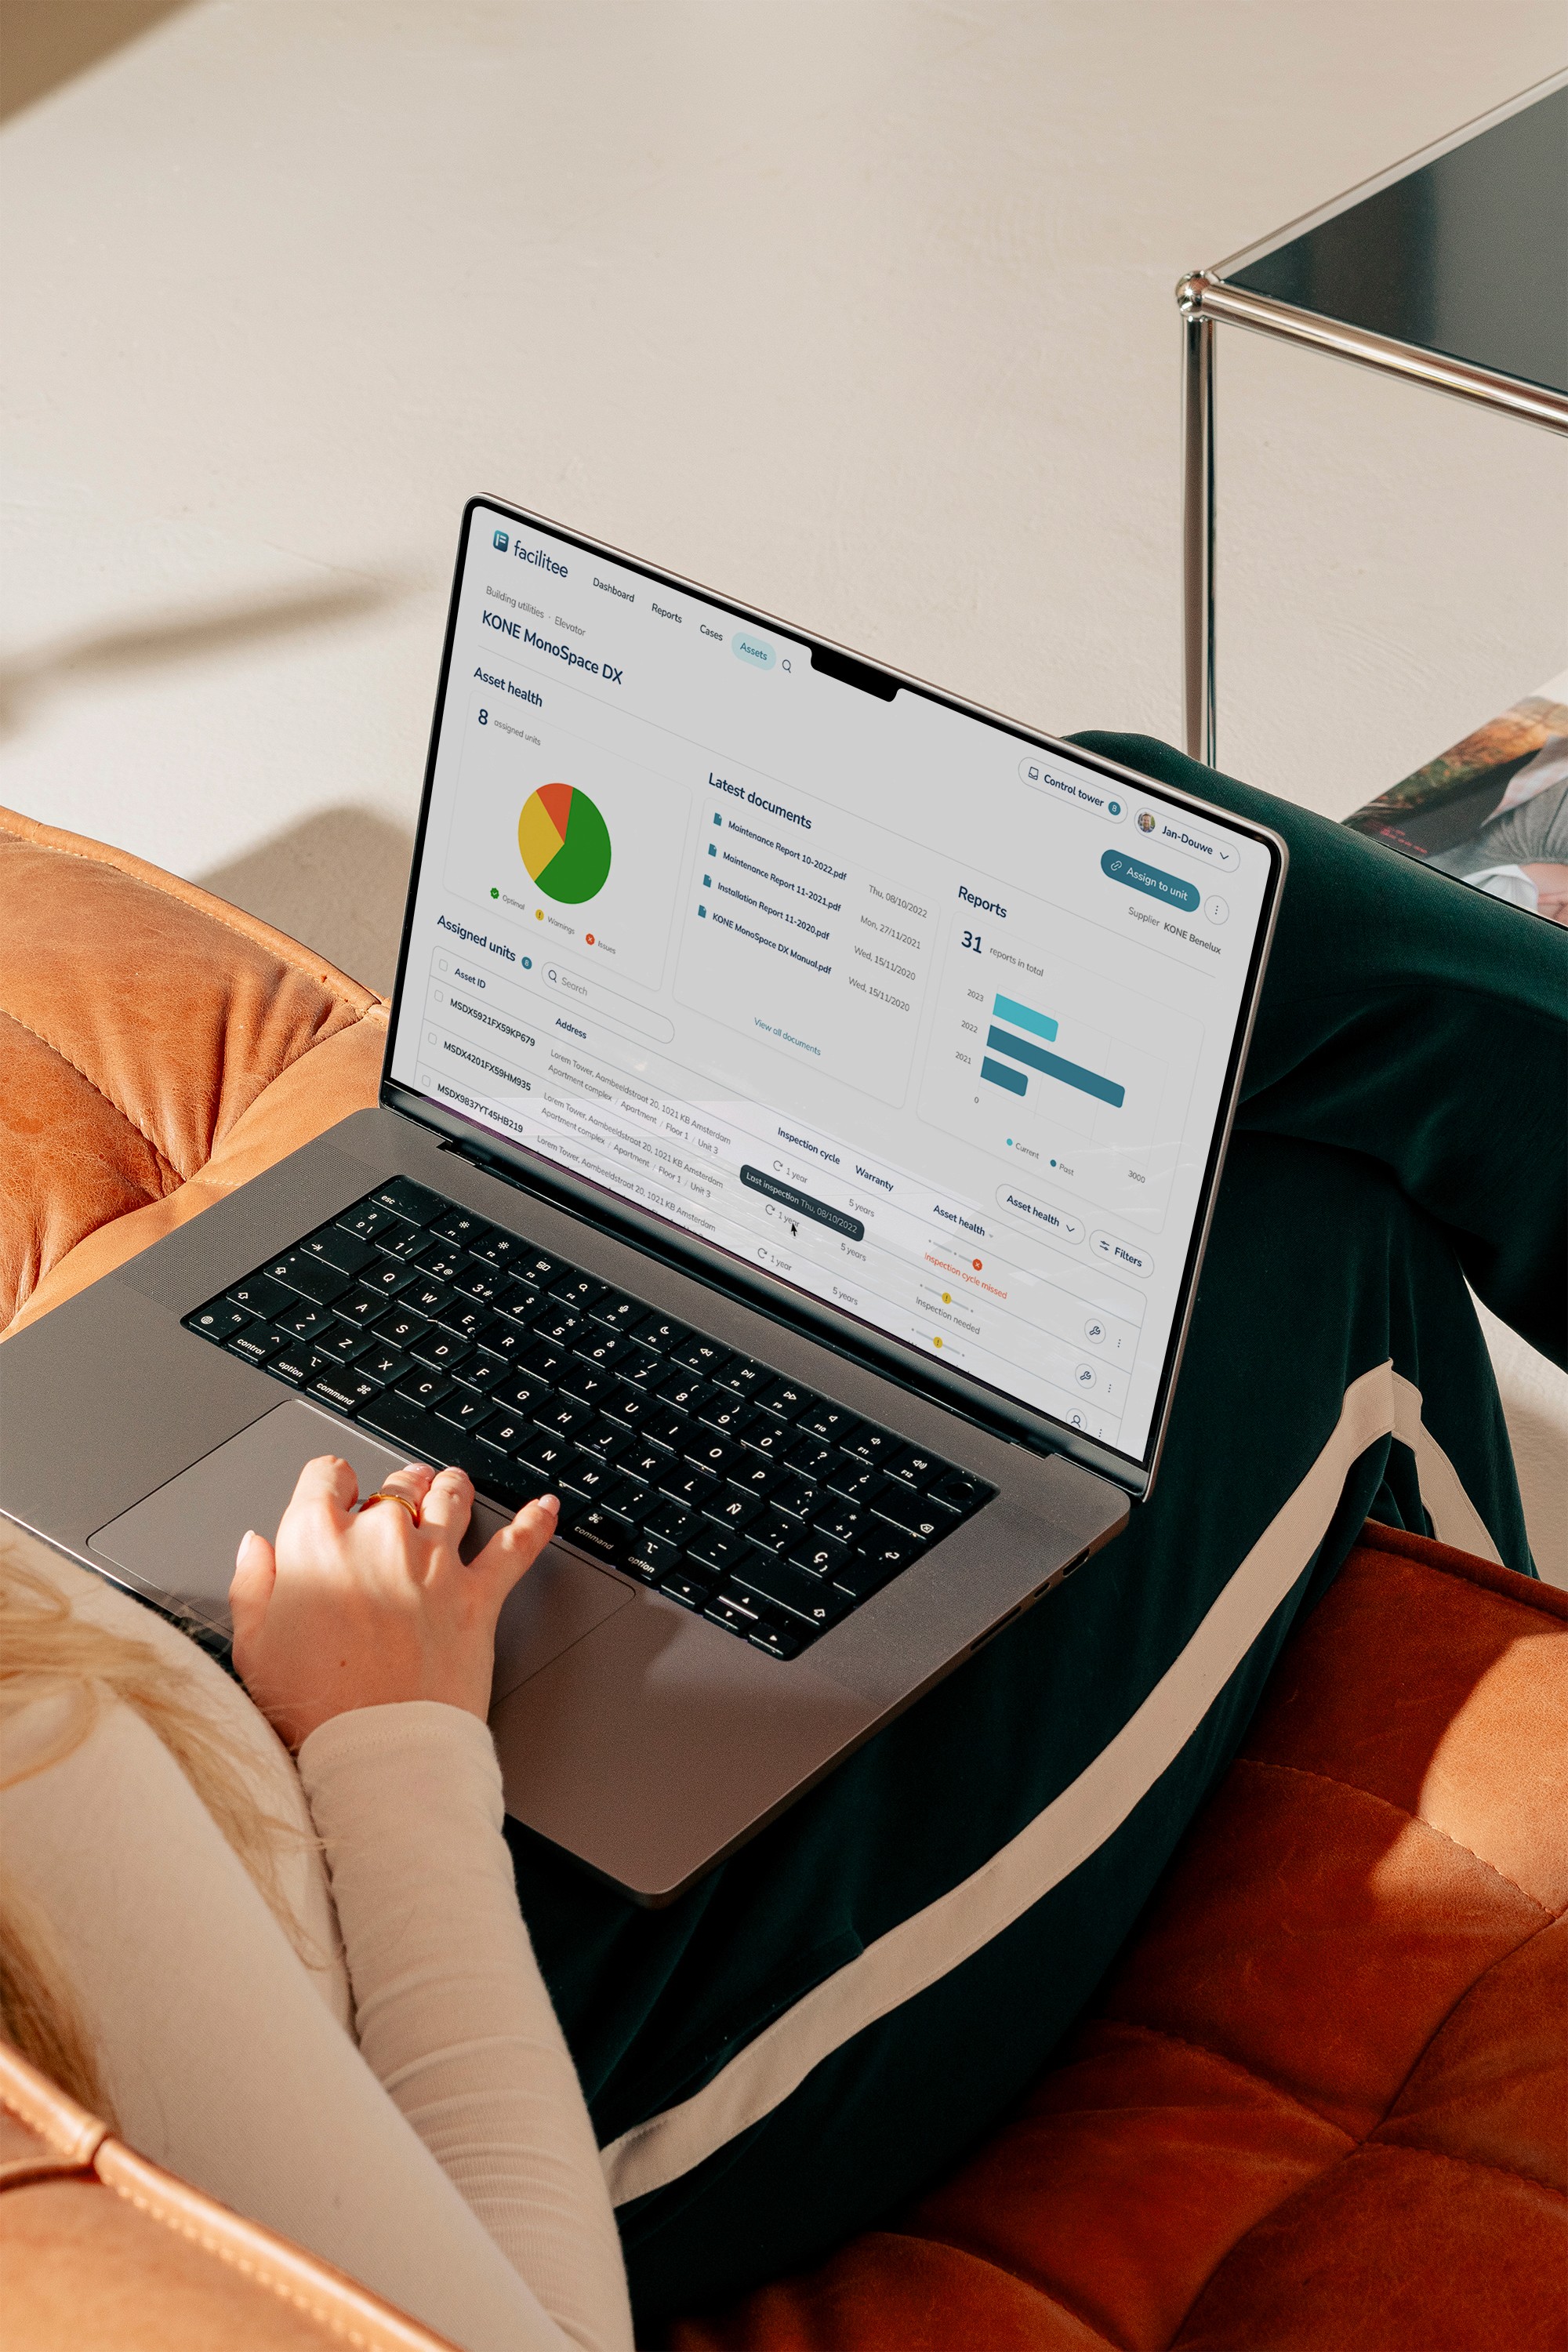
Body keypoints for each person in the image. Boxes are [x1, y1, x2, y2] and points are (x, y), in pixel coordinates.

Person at [2, 735, 1563, 2346]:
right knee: (1304, 1214)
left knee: (1107, 880)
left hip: (255, 1666)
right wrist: (383, 1740)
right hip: (538, 2004)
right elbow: (500, 2324)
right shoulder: (45, 1778)